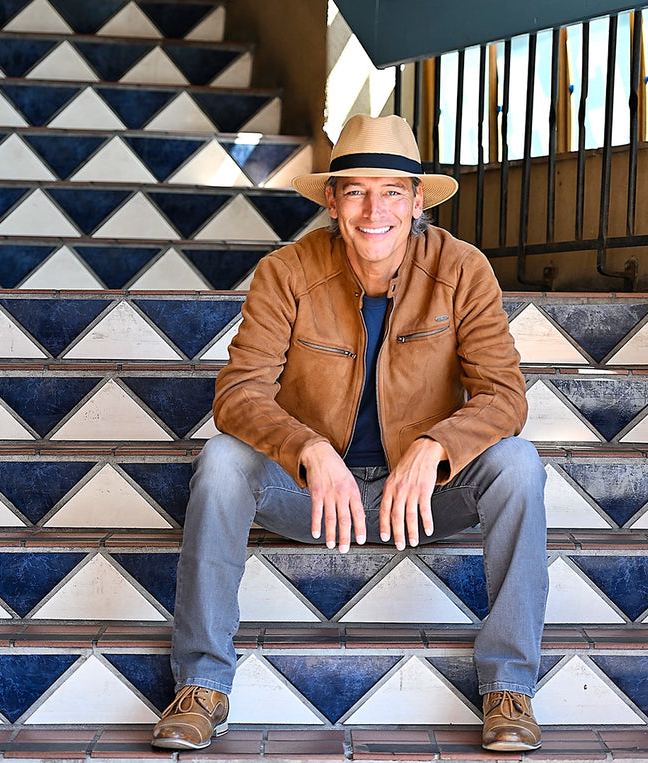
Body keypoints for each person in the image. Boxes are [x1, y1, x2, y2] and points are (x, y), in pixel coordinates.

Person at [150, 114, 548, 753]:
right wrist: (307, 450)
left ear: (418, 201)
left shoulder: (463, 269)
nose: (374, 210)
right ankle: (201, 684)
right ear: (331, 201)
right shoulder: (286, 271)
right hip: (312, 494)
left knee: (520, 465)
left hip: (417, 497)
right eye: (356, 190)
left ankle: (509, 689)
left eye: (392, 190)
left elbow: (505, 396)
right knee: (223, 460)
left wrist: (434, 447)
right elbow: (238, 393)